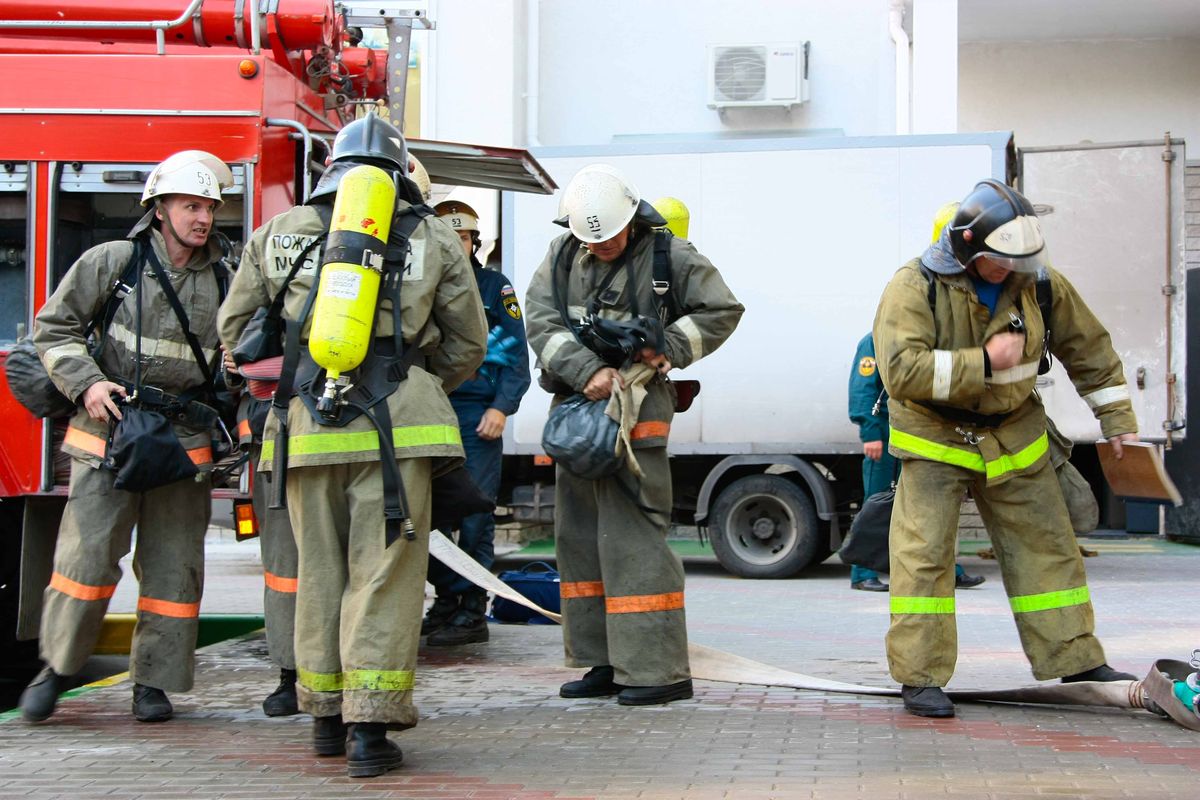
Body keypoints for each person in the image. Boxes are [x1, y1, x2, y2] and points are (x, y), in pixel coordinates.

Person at [218, 113, 486, 777]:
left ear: (331, 168)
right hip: (399, 432)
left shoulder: (278, 233)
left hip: (306, 430)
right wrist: (412, 379)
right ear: (398, 174)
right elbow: (468, 342)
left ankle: (324, 721)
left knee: (321, 576)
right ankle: (371, 733)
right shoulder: (430, 234)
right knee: (385, 576)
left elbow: (233, 327)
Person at [873, 179, 1139, 719]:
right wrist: (985, 362)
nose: (1011, 270)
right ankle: (921, 678)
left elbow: (1090, 351)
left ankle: (1077, 660)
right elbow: (901, 371)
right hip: (934, 438)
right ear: (968, 249)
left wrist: (1117, 420)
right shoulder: (912, 286)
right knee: (923, 560)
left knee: (1049, 549)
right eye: (999, 261)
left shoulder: (1038, 283)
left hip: (1016, 434)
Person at [20, 150, 233, 724]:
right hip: (106, 436)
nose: (203, 218)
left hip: (183, 445)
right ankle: (57, 668)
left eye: (209, 207)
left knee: (174, 568)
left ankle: (154, 683)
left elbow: (238, 357)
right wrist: (87, 384)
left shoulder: (225, 279)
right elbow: (53, 329)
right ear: (159, 208)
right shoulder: (112, 261)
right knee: (85, 560)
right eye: (191, 205)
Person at [524, 164, 743, 706]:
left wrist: (666, 345)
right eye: (591, 238)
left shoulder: (669, 256)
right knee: (579, 543)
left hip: (639, 414)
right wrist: (584, 370)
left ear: (633, 219)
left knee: (633, 544)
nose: (604, 245)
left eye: (613, 236)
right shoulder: (561, 256)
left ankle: (655, 670)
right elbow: (539, 318)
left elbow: (722, 309)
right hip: (578, 415)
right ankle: (603, 661)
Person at [421, 200, 531, 646]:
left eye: (463, 236)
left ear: (473, 242)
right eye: (447, 236)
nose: (456, 244)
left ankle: (472, 611)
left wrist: (501, 407)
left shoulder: (494, 287)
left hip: (477, 417)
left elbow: (517, 357)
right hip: (430, 415)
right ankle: (447, 600)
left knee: (474, 517)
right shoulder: (422, 284)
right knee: (428, 518)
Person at [848, 333, 987, 592]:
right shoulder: (874, 340)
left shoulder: (924, 334)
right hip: (886, 432)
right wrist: (870, 433)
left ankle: (946, 570)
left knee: (927, 507)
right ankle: (862, 572)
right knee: (876, 502)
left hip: (918, 433)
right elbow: (862, 388)